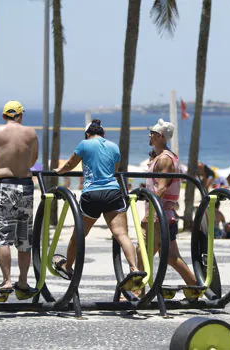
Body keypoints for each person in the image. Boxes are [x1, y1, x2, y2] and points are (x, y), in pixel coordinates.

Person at [53, 119, 142, 288]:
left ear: (88, 134)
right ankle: (134, 268)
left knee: (79, 235)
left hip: (91, 194)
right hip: (112, 193)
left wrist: (58, 172)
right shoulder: (114, 147)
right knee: (121, 234)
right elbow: (114, 171)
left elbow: (71, 164)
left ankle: (68, 266)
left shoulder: (84, 144)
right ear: (103, 134)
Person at [0, 100, 39, 298]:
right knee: (24, 238)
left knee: (3, 237)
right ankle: (23, 282)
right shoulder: (31, 133)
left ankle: (7, 281)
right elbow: (33, 158)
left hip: (5, 186)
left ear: (4, 116)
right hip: (26, 187)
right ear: (21, 116)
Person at [136, 118, 198, 296]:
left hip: (159, 214)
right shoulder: (165, 157)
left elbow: (162, 187)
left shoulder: (164, 159)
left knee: (142, 252)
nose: (150, 136)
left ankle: (139, 292)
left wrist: (152, 212)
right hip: (167, 213)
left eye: (153, 134)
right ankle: (194, 286)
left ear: (160, 136)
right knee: (170, 256)